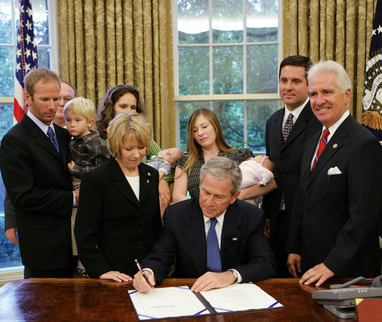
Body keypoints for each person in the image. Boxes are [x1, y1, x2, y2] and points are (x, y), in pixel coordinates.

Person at [287, 60, 382, 286]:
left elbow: (364, 217)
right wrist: (295, 246)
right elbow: (303, 198)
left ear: (346, 94)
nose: (319, 101)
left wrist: (332, 263)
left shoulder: (364, 144)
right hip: (312, 263)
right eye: (313, 94)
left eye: (327, 92)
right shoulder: (313, 141)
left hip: (347, 270)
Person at [133, 156, 276, 293]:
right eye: (206, 192)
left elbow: (265, 263)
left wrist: (230, 275)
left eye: (219, 197)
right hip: (190, 294)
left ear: (234, 197)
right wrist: (148, 272)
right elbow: (160, 256)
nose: (209, 202)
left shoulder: (250, 216)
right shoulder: (177, 215)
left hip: (233, 295)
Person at [0, 68, 77, 278]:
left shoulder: (63, 135)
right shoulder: (14, 141)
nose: (53, 106)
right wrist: (72, 197)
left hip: (73, 243)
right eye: (45, 99)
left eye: (57, 99)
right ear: (28, 98)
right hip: (44, 250)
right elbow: (24, 196)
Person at [75, 112, 161, 281]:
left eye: (141, 147)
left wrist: (154, 267)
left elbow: (155, 226)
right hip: (112, 273)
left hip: (147, 272)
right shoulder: (96, 179)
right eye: (129, 149)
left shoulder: (152, 175)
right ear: (115, 146)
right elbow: (84, 234)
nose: (136, 154)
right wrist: (101, 271)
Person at [263, 55, 322, 277]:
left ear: (309, 85)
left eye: (296, 81)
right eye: (283, 80)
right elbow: (273, 170)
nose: (288, 87)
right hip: (277, 220)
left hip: (308, 222)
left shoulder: (320, 121)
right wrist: (267, 213)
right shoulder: (273, 121)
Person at [96, 84, 177, 215]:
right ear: (111, 109)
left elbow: (167, 162)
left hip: (146, 197)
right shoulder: (98, 139)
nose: (129, 111)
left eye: (133, 107)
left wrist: (162, 181)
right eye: (123, 106)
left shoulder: (142, 137)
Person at [64, 97, 110, 269]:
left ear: (90, 122)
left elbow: (101, 170)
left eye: (77, 120)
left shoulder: (95, 142)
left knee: (80, 221)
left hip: (85, 185)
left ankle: (83, 260)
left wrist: (76, 170)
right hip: (73, 183)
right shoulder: (72, 139)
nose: (72, 125)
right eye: (68, 120)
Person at [172, 108, 255, 203]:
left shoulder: (238, 156)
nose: (200, 133)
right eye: (195, 130)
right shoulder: (186, 161)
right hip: (198, 215)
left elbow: (270, 183)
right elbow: (177, 196)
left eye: (204, 127)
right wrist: (201, 206)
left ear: (215, 126)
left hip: (233, 215)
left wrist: (239, 196)